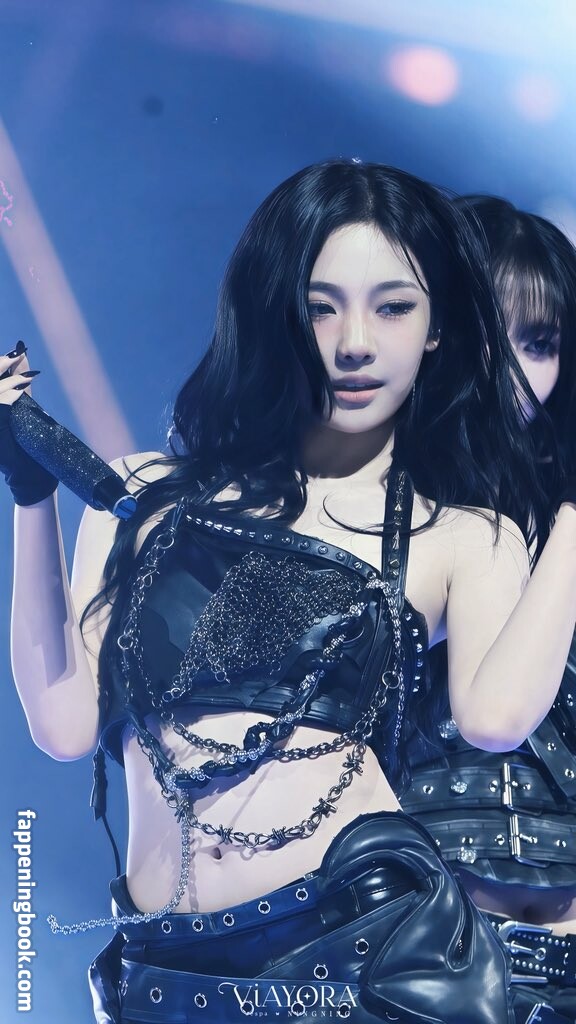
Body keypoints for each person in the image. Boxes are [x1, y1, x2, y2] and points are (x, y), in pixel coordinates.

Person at [2, 159, 576, 1024]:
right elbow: (62, 725)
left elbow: (496, 720)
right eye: (321, 306)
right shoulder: (143, 495)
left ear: (437, 331)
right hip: (164, 975)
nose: (355, 342)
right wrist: (31, 496)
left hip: (362, 958)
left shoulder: (461, 534)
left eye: (394, 307)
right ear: (272, 310)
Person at [403, 196, 576, 1024]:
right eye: (486, 332)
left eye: (539, 343)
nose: (513, 369)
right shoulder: (369, 498)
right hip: (421, 922)